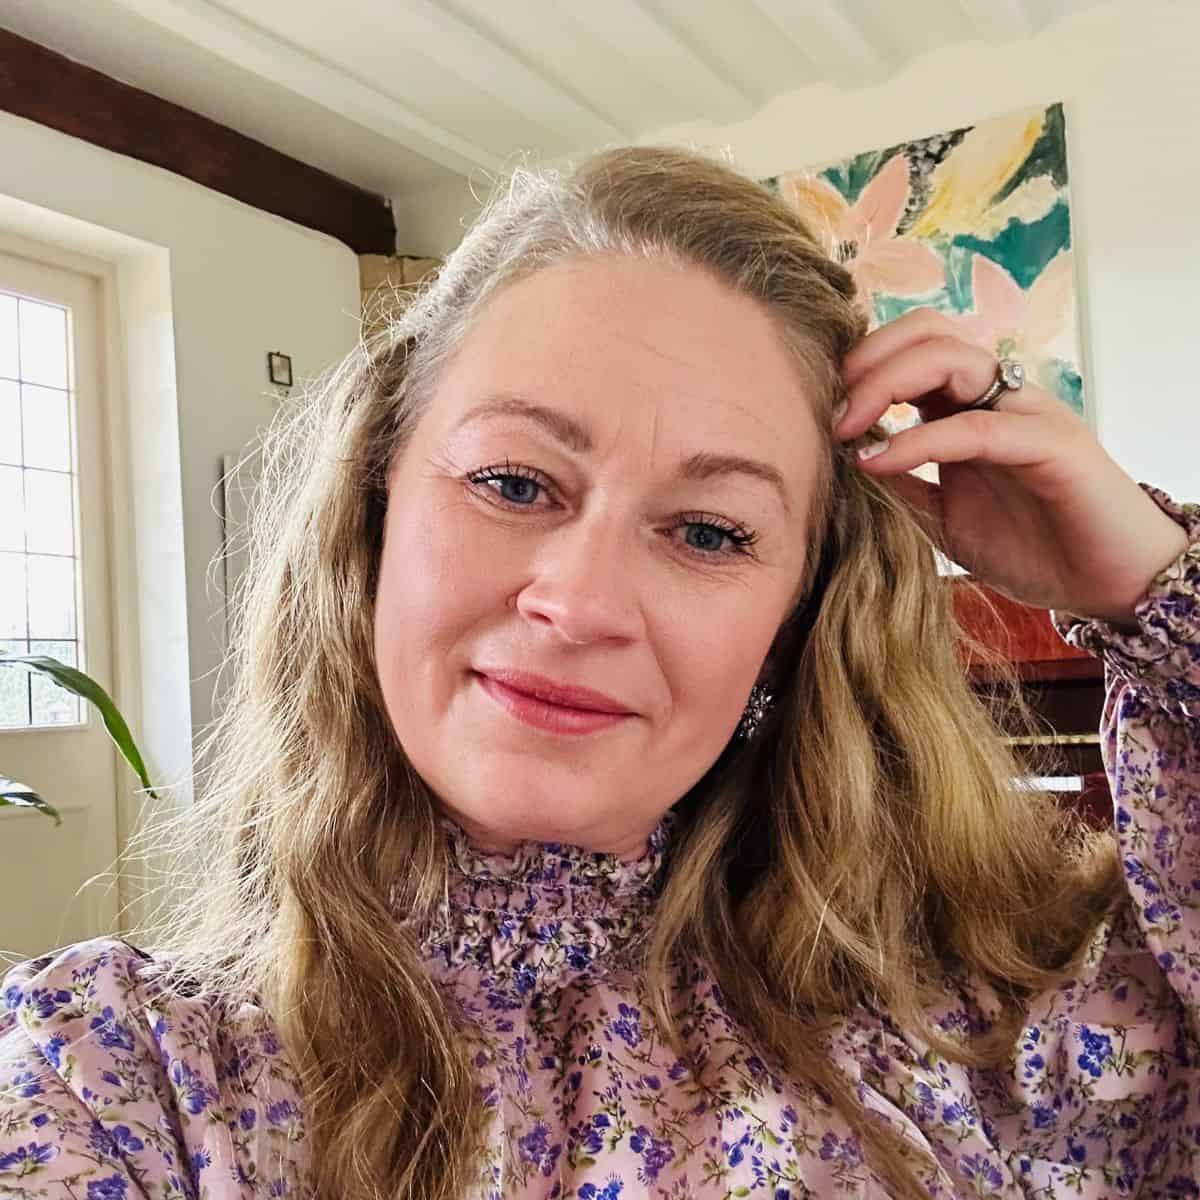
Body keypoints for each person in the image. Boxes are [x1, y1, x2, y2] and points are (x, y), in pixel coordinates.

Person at [1, 146, 1196, 1200]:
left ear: (791, 624)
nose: (576, 603)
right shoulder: (114, 1076)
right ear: (371, 519)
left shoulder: (1002, 1026)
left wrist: (1156, 590)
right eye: (513, 483)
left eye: (710, 532)